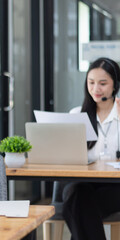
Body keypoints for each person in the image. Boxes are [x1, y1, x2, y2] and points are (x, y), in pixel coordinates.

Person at [62, 57, 120, 240]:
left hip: (115, 187)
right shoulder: (76, 115)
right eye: (91, 82)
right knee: (79, 197)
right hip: (82, 183)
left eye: (103, 83)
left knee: (75, 205)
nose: (96, 89)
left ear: (115, 85)